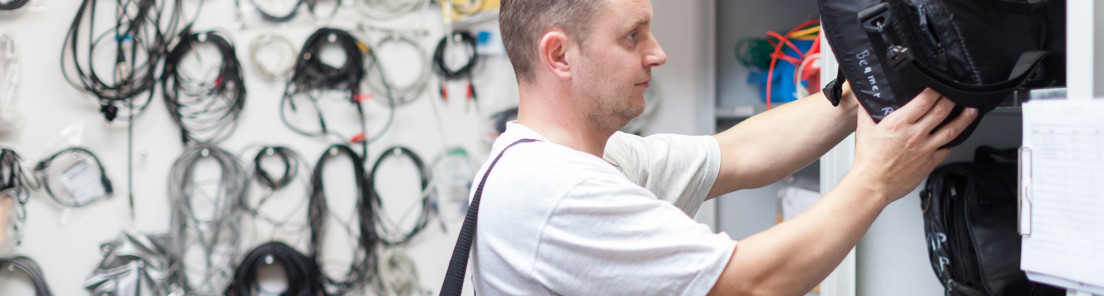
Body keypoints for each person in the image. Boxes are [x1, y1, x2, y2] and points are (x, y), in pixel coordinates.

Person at [466, 0, 978, 295]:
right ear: (559, 55)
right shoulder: (555, 191)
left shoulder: (576, 159)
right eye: (632, 37)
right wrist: (874, 181)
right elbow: (752, 283)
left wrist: (862, 91)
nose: (657, 53)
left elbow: (734, 154)